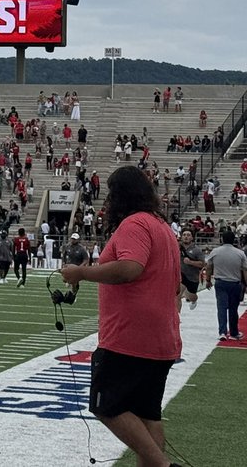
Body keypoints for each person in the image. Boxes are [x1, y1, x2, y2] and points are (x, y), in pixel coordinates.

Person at [60, 165, 181, 467]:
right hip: (160, 337)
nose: (108, 200)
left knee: (106, 406)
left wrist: (81, 273)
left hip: (130, 337)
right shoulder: (162, 227)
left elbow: (130, 268)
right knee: (146, 414)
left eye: (112, 193)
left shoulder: (135, 224)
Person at [203, 228, 247, 341]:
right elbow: (245, 270)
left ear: (222, 239)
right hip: (235, 283)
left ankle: (222, 332)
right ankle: (234, 332)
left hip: (220, 282)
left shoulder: (215, 251)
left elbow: (208, 267)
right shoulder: (240, 253)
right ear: (234, 240)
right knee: (233, 309)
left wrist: (208, 280)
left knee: (221, 308)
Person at [176, 228, 204, 312]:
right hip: (181, 275)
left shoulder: (197, 250)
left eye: (188, 235)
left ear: (192, 238)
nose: (186, 237)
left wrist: (190, 262)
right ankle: (177, 317)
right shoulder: (177, 247)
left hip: (192, 277)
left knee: (191, 296)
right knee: (177, 296)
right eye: (184, 235)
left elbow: (202, 264)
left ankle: (194, 300)